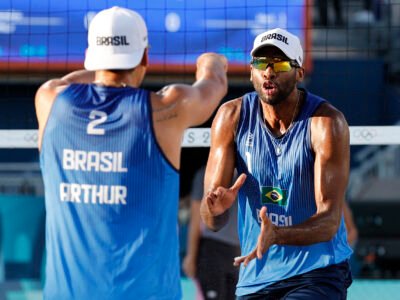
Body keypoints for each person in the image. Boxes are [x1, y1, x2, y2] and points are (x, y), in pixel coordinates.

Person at [34, 6, 228, 299]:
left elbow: (70, 82)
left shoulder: (49, 101)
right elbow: (214, 85)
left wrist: (104, 66)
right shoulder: (167, 108)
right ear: (145, 57)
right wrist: (212, 62)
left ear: (92, 56)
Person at [200, 27, 353, 299]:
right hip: (257, 276)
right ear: (251, 72)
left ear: (299, 73)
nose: (268, 72)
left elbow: (329, 221)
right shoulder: (231, 116)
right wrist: (215, 209)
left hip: (317, 272)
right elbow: (211, 221)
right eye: (260, 63)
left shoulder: (326, 123)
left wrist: (277, 235)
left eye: (280, 63)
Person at [182, 165, 241, 300]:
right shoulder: (204, 174)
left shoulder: (249, 173)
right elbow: (195, 219)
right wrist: (191, 256)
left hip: (238, 253)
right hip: (213, 249)